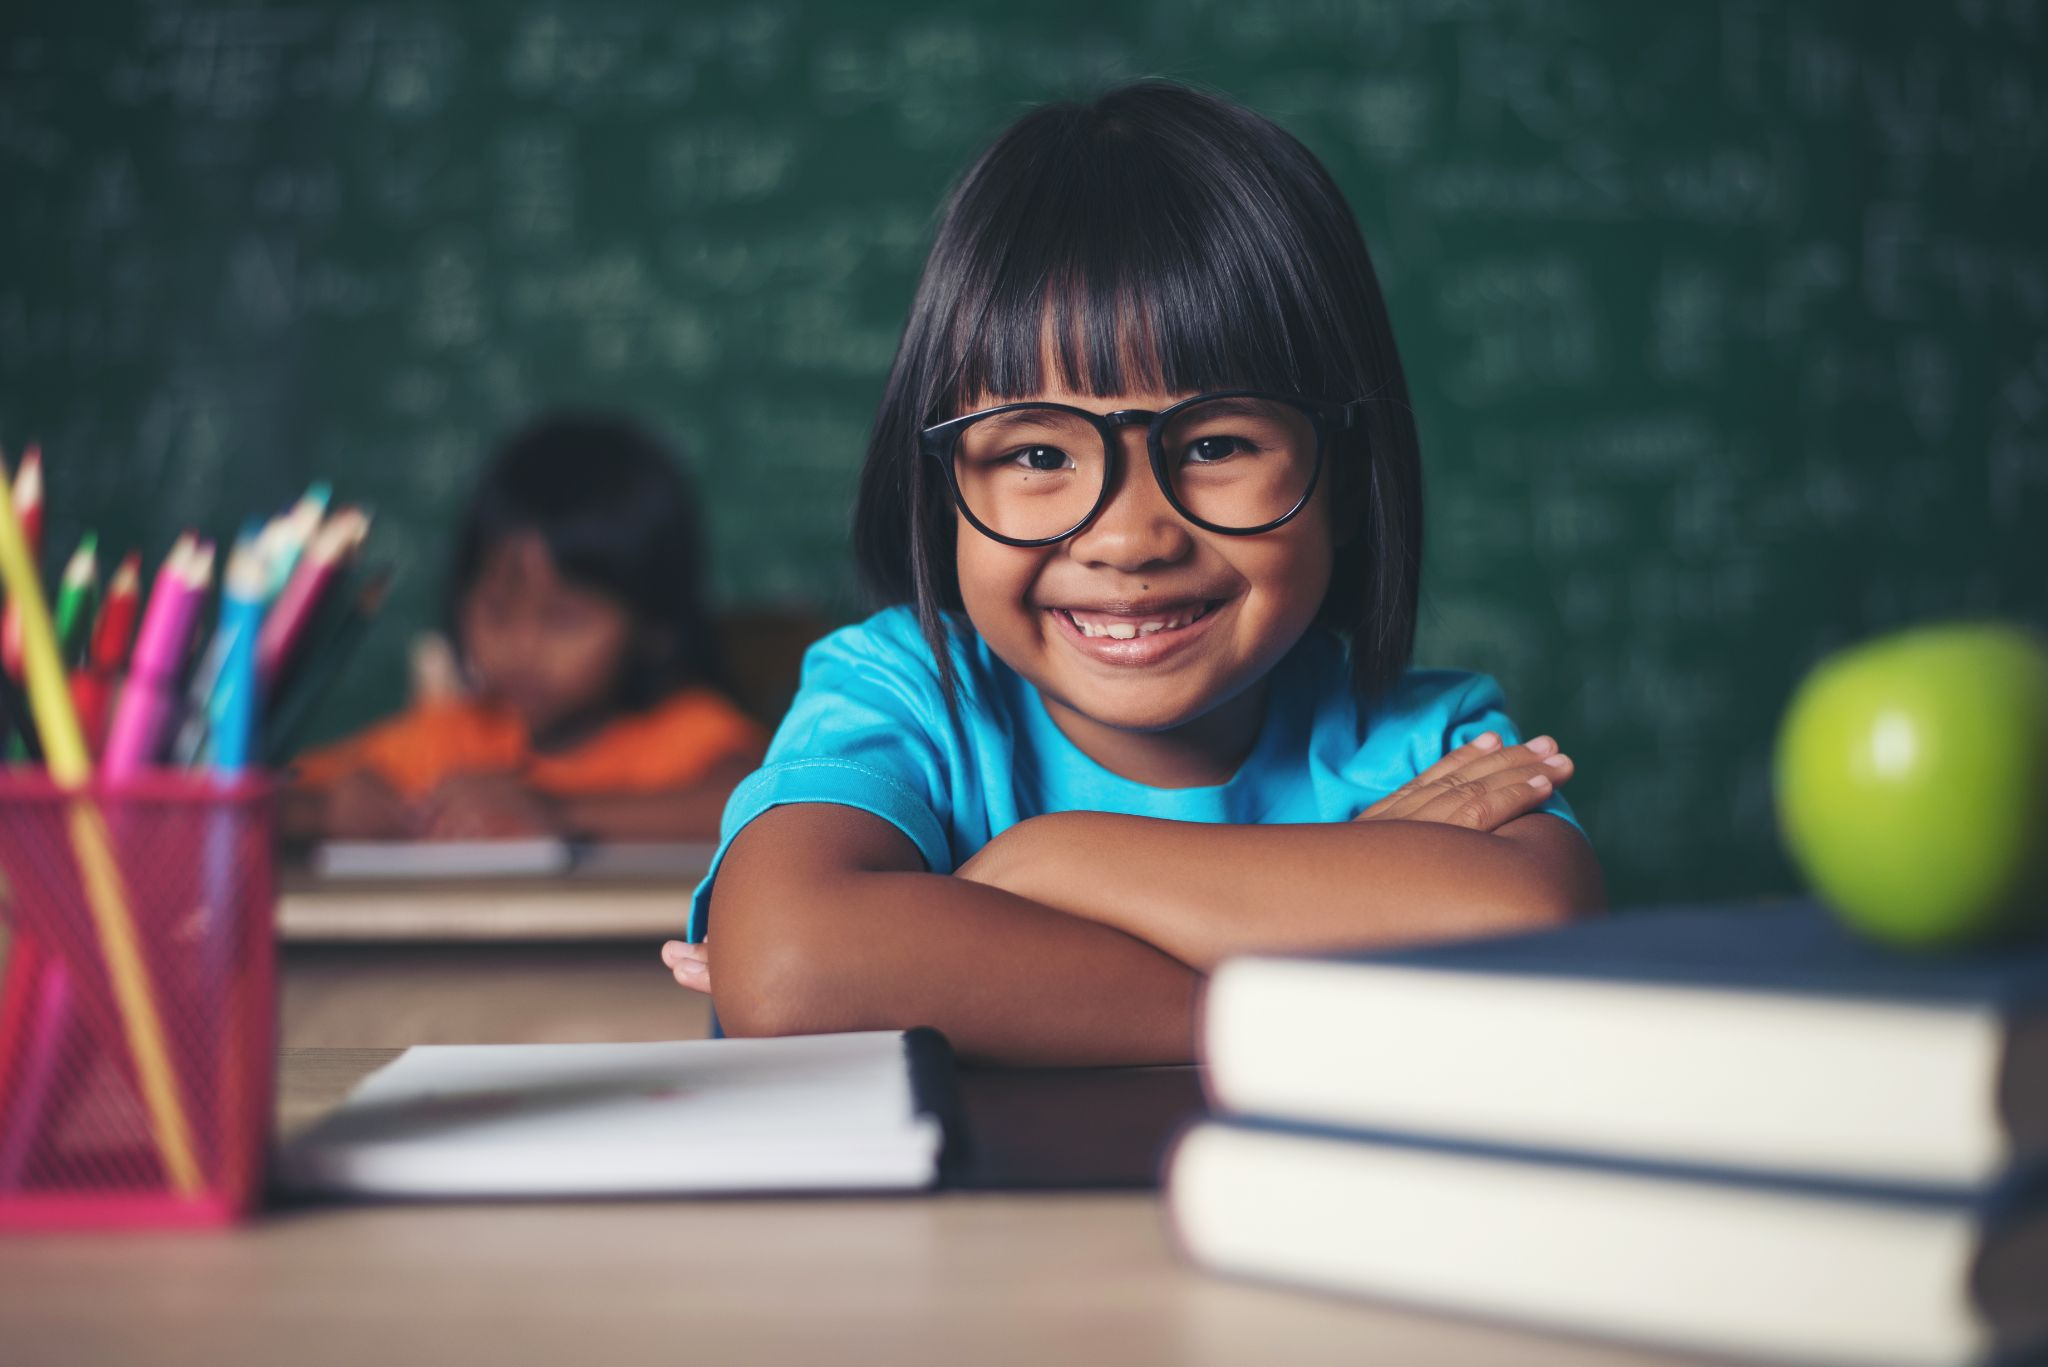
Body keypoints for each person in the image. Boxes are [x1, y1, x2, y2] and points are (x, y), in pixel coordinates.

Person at [661, 81, 1604, 1064]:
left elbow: (1536, 925)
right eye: (1037, 454)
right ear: (940, 486)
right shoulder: (903, 692)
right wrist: (1314, 976)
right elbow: (792, 968)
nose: (1128, 538)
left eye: (1216, 445)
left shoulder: (1423, 740)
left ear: (1348, 477)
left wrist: (1047, 860)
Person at [286, 411, 765, 842]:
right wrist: (327, 812)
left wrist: (559, 813)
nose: (522, 645)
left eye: (563, 619)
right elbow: (266, 795)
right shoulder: (454, 738)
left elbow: (753, 809)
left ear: (655, 625)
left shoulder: (685, 732)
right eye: (496, 611)